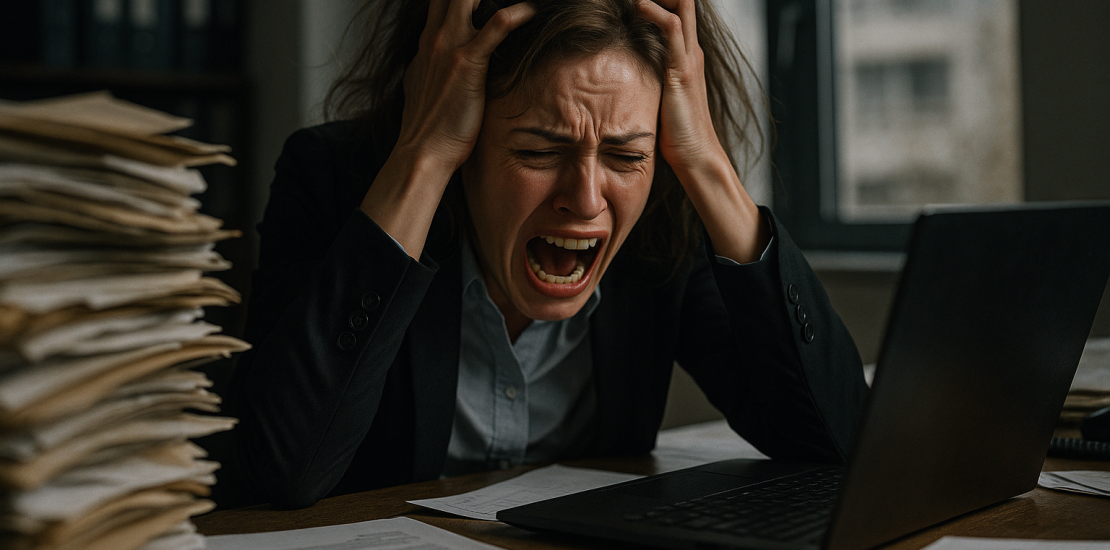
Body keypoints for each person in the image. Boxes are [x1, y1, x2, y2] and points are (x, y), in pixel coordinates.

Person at [227, 0, 869, 510]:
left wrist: (703, 159)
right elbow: (286, 470)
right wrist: (424, 153)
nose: (586, 200)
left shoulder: (661, 221)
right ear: (464, 132)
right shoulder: (336, 183)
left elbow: (839, 442)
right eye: (538, 151)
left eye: (626, 155)